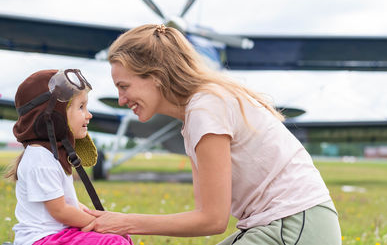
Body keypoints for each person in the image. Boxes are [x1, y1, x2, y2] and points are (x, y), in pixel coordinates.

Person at [83, 24, 342, 244]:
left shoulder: (206, 107)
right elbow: (204, 215)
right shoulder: (197, 112)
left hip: (297, 225)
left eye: (124, 86)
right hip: (287, 224)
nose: (120, 99)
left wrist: (124, 222)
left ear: (156, 76)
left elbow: (213, 219)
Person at [4, 69, 133, 245]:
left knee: (119, 238)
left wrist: (92, 215)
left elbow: (68, 203)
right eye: (81, 107)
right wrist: (96, 224)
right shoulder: (41, 158)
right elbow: (60, 211)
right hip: (41, 239)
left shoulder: (51, 155)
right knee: (113, 242)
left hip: (58, 234)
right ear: (53, 117)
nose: (89, 114)